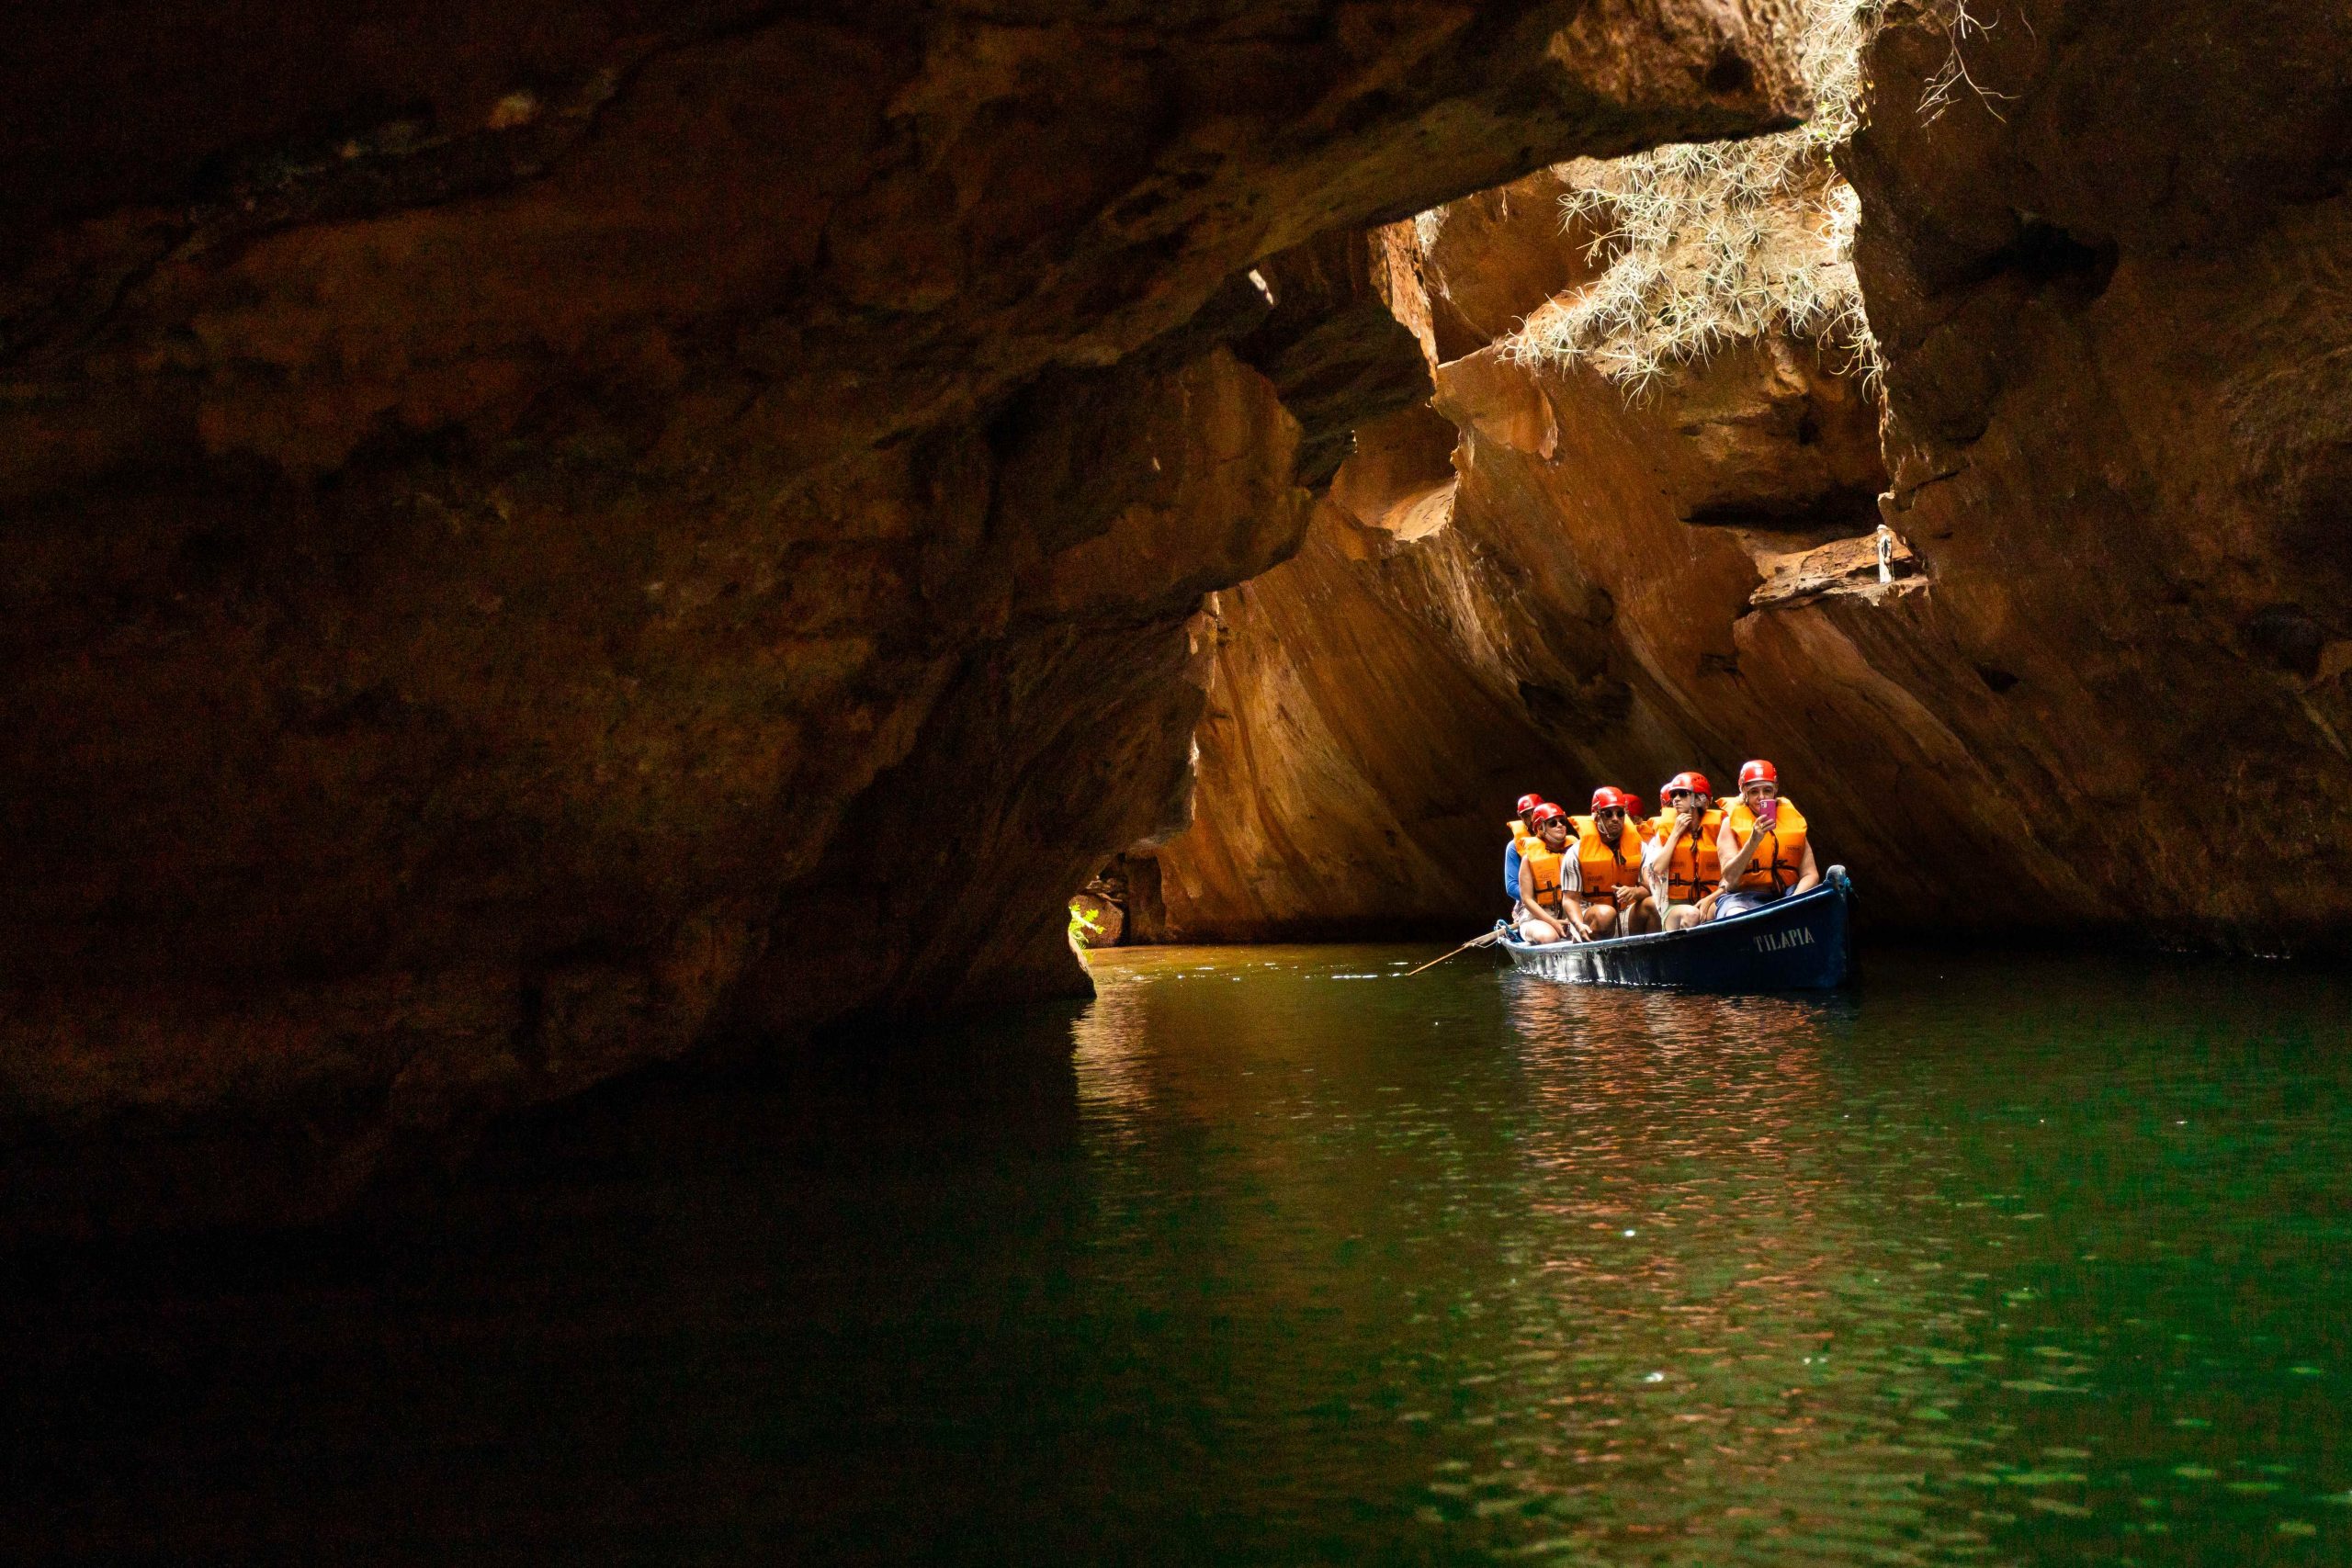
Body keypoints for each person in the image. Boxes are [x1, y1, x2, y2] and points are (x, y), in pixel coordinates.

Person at [1715, 759, 1819, 918]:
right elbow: (1731, 879)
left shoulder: (1792, 822)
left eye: (1767, 790)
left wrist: (1793, 901)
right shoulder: (1729, 824)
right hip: (1744, 898)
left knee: (1815, 906)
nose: (1761, 797)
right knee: (1735, 914)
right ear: (1744, 792)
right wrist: (1753, 841)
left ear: (1775, 789)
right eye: (1754, 792)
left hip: (1789, 894)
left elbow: (1810, 874)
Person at [1564, 786, 1658, 939]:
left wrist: (1634, 892)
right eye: (1608, 814)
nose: (1615, 818)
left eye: (1620, 813)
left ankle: (1651, 951)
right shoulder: (1576, 852)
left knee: (1653, 903)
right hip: (1591, 917)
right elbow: (1570, 899)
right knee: (1606, 914)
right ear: (1596, 816)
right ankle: (1591, 948)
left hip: (1625, 912)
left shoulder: (1640, 847)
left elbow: (1650, 887)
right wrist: (1578, 925)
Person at [1644, 772, 1724, 931]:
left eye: (1682, 794)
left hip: (1711, 898)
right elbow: (1657, 869)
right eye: (1673, 795)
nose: (1676, 799)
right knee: (1692, 914)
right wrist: (1675, 833)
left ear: (1700, 798)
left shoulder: (1720, 827)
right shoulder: (1665, 830)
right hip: (1675, 906)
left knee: (1723, 911)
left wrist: (1710, 899)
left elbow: (1731, 876)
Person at [1514, 803, 1583, 944]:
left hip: (1571, 911)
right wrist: (1553, 922)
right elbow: (1527, 899)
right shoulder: (1528, 859)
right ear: (1540, 828)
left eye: (1562, 821)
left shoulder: (1577, 851)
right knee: (1548, 937)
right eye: (1553, 823)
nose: (1560, 825)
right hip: (1538, 917)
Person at [1504, 793, 1545, 909]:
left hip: (1565, 897)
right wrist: (1540, 898)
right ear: (1520, 817)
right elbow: (1512, 886)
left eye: (1535, 813)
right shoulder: (1514, 847)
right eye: (1526, 816)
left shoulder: (1558, 837)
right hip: (1532, 904)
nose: (1532, 819)